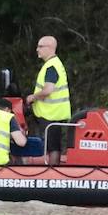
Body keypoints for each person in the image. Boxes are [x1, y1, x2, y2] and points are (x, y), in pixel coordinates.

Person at [25, 35, 72, 165]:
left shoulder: (51, 67)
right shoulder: (54, 64)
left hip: (51, 114)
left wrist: (32, 98)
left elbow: (48, 90)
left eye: (40, 46)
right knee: (53, 145)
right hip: (53, 113)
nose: (37, 49)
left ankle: (52, 172)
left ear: (50, 48)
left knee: (53, 146)